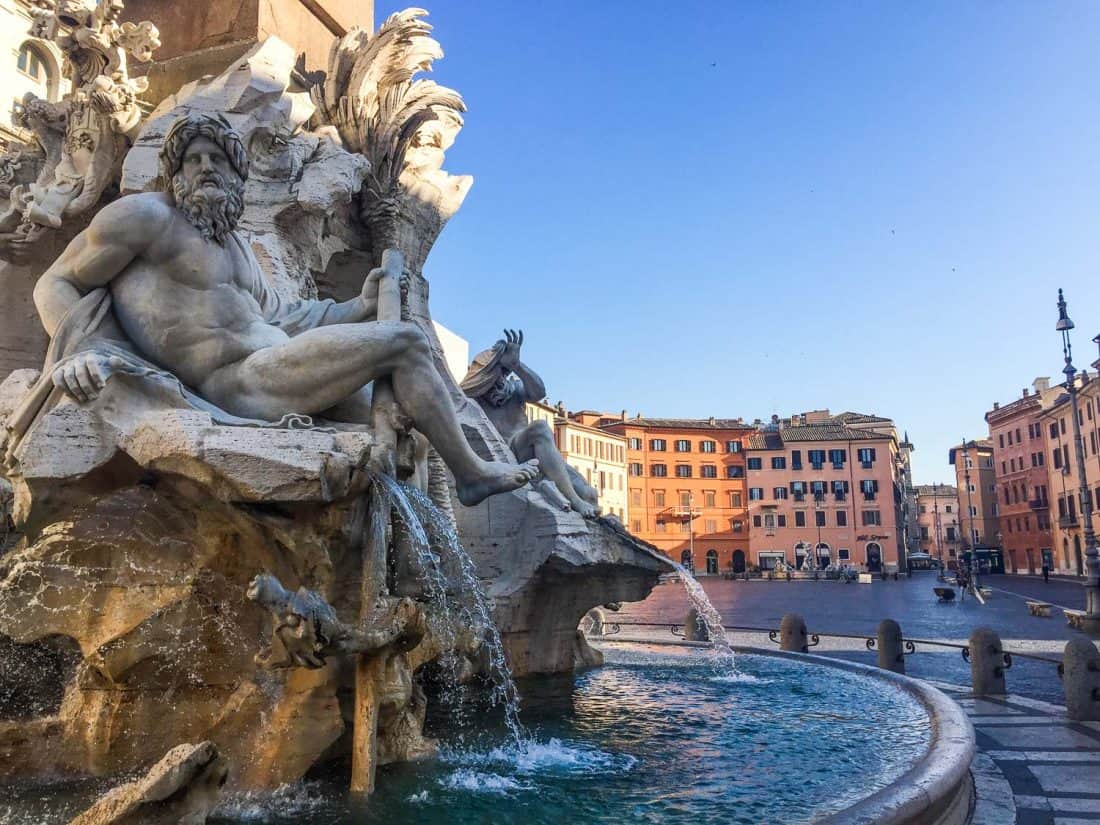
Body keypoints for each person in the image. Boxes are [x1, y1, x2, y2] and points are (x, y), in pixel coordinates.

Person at [31, 113, 538, 506]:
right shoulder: (145, 217)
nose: (206, 168)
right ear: (175, 172)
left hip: (278, 366)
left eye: (218, 160)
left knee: (413, 432)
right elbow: (56, 281)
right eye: (194, 159)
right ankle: (472, 475)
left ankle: (402, 578)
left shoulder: (237, 248)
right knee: (406, 342)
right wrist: (80, 350)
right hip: (236, 383)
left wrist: (357, 306)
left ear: (237, 175)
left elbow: (285, 318)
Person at [461, 330, 600, 518]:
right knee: (540, 427)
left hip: (538, 451)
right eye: (492, 379)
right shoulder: (474, 399)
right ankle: (574, 501)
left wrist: (517, 366)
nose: (498, 384)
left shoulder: (515, 389)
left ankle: (591, 516)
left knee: (589, 493)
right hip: (508, 453)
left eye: (501, 377)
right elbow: (458, 394)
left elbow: (539, 392)